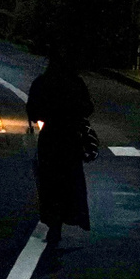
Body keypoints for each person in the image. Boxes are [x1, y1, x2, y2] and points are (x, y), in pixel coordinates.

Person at [25, 49, 94, 246]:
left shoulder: (42, 82)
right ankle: (69, 216)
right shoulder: (75, 82)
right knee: (70, 180)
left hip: (50, 137)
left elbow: (33, 111)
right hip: (71, 138)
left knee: (49, 181)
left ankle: (53, 222)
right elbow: (88, 108)